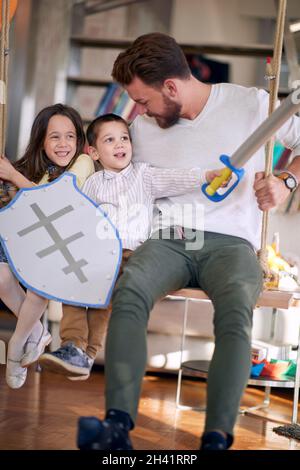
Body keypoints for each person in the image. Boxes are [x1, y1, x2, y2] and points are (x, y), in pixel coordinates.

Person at [77, 33, 300, 451]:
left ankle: (217, 437)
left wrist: (287, 180)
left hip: (232, 243)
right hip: (169, 238)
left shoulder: (252, 103)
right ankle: (117, 424)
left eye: (143, 100)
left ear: (172, 87)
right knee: (130, 291)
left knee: (235, 311)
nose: (138, 112)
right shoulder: (141, 129)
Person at [39, 112, 222, 380]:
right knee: (73, 288)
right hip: (95, 252)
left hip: (129, 254)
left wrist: (205, 176)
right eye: (110, 140)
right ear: (94, 152)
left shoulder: (143, 176)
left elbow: (174, 178)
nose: (120, 145)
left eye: (124, 138)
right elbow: (78, 215)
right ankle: (72, 346)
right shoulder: (92, 184)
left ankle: (88, 354)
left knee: (103, 300)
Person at [0, 104, 95, 389]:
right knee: (1, 277)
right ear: (42, 140)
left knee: (43, 273)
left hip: (64, 244)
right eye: (55, 137)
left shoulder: (85, 162)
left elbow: (54, 200)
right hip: (29, 240)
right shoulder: (38, 171)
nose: (63, 144)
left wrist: (15, 178)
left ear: (79, 140)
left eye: (70, 136)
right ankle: (38, 330)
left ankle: (17, 345)